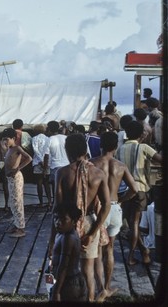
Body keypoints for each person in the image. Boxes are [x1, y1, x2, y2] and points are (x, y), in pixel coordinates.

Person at [49, 133, 110, 301]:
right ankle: (90, 299)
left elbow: (57, 208)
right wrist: (92, 233)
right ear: (85, 150)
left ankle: (61, 296)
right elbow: (106, 205)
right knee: (87, 268)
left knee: (65, 267)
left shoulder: (62, 173)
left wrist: (52, 239)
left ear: (67, 151)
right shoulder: (97, 174)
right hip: (90, 222)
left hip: (68, 223)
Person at [90, 131, 138, 302]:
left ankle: (99, 288)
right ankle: (108, 287)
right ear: (116, 147)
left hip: (98, 209)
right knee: (109, 248)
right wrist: (121, 200)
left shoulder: (92, 163)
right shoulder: (121, 166)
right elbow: (134, 189)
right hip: (115, 207)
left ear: (101, 145)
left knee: (96, 249)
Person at [116, 121, 162, 266]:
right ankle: (131, 256)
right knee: (135, 223)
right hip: (140, 189)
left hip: (125, 189)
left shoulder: (120, 149)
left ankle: (143, 251)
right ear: (141, 134)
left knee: (131, 223)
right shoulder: (143, 147)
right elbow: (161, 160)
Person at [50, 202, 87, 301]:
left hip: (68, 283)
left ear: (74, 221)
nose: (58, 222)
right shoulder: (63, 234)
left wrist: (56, 291)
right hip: (68, 281)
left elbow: (64, 266)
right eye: (56, 218)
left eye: (63, 219)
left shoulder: (68, 238)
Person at [2, 128, 33, 237]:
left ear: (13, 139)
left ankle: (21, 228)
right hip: (10, 178)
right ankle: (16, 224)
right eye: (3, 139)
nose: (5, 141)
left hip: (16, 177)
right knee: (13, 202)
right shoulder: (9, 149)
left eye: (7, 139)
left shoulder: (17, 148)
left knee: (17, 201)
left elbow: (29, 158)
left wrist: (18, 168)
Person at [31, 124, 51, 207]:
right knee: (46, 183)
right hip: (47, 162)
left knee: (39, 182)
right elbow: (48, 151)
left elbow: (35, 150)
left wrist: (40, 160)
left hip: (37, 162)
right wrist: (44, 161)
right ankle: (49, 201)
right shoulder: (48, 138)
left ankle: (41, 202)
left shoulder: (34, 138)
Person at [47, 120, 69, 196]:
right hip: (67, 166)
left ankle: (55, 204)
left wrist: (46, 168)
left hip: (55, 167)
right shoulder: (66, 138)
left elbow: (47, 155)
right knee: (66, 188)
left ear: (49, 129)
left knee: (56, 188)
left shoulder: (49, 139)